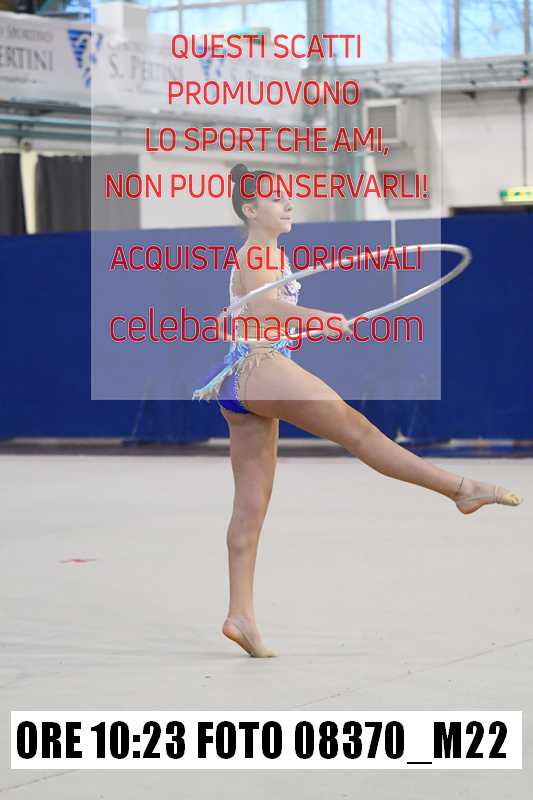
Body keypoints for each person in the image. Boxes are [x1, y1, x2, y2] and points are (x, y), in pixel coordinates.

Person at [193, 163, 523, 659]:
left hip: (240, 382)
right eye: (277, 198)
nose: (288, 204)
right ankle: (460, 489)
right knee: (359, 431)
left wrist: (307, 321)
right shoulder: (257, 251)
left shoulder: (267, 252)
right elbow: (264, 310)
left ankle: (240, 613)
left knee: (251, 506)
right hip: (258, 366)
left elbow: (261, 310)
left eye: (288, 196)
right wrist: (317, 317)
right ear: (251, 209)